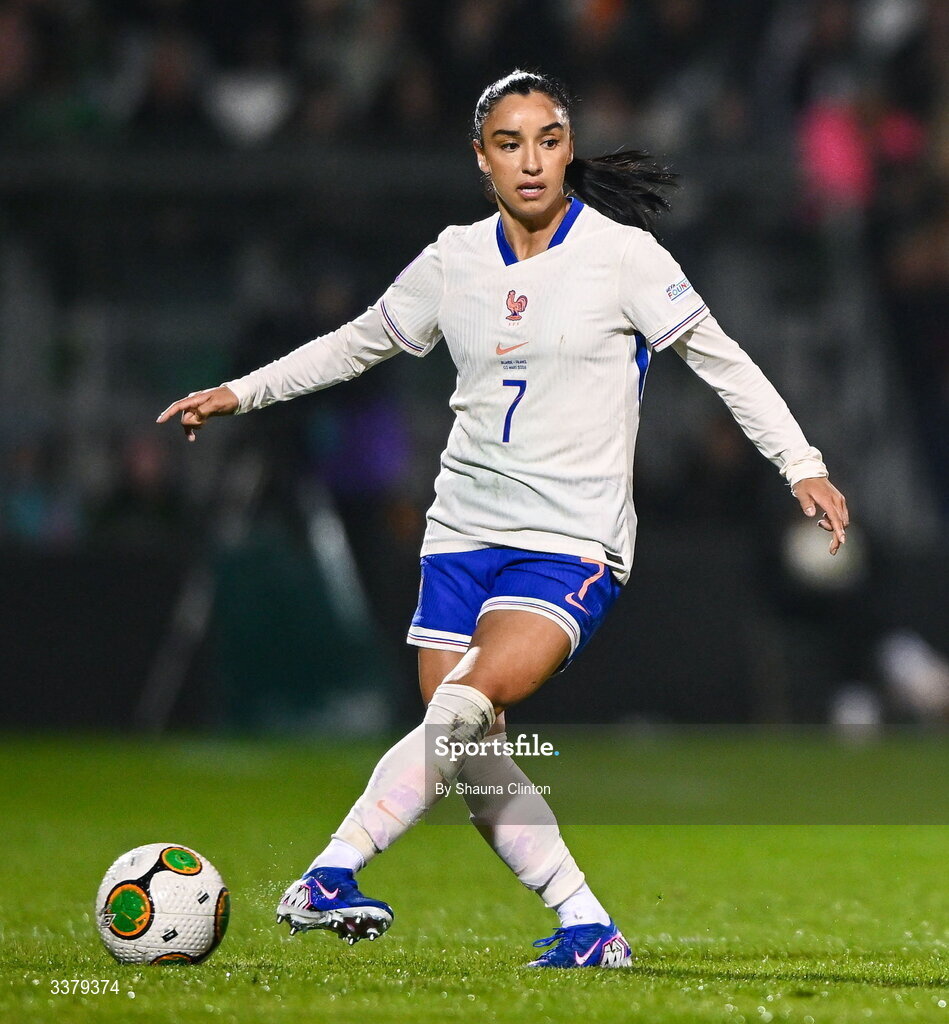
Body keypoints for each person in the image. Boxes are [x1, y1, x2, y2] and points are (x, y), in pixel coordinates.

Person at [157, 70, 849, 969]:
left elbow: (726, 364)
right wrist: (240, 393)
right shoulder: (453, 259)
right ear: (480, 158)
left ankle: (330, 871)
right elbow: (358, 341)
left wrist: (802, 465)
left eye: (549, 139)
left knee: (458, 710)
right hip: (459, 533)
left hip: (570, 543)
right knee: (472, 751)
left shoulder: (624, 256)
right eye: (510, 142)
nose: (532, 161)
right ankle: (587, 926)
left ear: (569, 147)